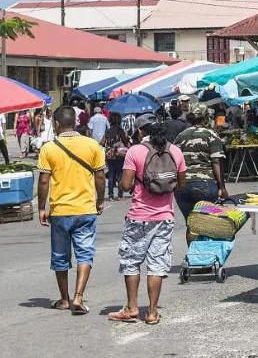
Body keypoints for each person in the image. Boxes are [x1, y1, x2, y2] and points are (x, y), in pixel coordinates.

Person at [107, 114, 186, 325]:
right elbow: (181, 184)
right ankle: (152, 312)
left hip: (139, 217)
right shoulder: (175, 151)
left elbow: (125, 185)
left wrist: (135, 182)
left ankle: (132, 308)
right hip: (165, 217)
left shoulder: (135, 151)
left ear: (141, 131)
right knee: (157, 265)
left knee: (131, 262)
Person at [36, 106, 106, 315]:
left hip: (60, 211)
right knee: (85, 254)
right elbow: (100, 177)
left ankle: (65, 299)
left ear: (56, 124)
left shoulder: (49, 148)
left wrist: (41, 208)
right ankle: (78, 297)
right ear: (75, 122)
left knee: (60, 256)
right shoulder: (92, 145)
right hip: (85, 209)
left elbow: (44, 180)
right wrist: (100, 201)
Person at [173, 104, 227, 243]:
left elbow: (174, 160)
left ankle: (193, 254)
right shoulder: (211, 135)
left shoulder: (180, 136)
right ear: (205, 117)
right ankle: (206, 254)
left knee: (191, 225)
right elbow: (216, 161)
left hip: (182, 186)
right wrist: (222, 187)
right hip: (205, 185)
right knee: (207, 224)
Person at [101, 112, 131, 201]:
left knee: (111, 174)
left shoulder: (108, 131)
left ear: (110, 120)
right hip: (120, 155)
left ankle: (110, 195)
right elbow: (126, 143)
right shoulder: (121, 131)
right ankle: (120, 195)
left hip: (110, 155)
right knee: (120, 174)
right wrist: (127, 138)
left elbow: (102, 143)